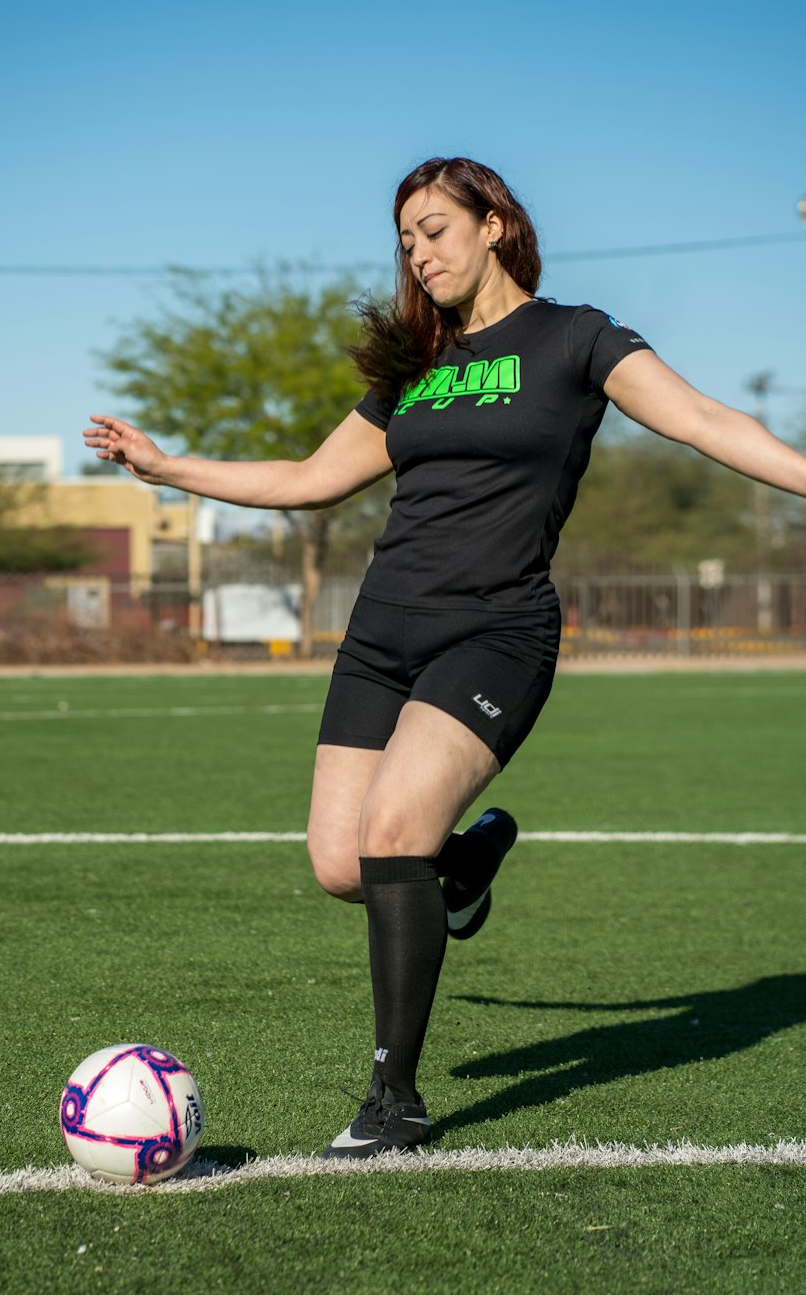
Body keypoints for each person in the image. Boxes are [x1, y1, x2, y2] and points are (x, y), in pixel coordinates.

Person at [83, 156, 806, 1159]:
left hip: (496, 629)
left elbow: (705, 422)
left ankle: (395, 1098)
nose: (418, 254)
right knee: (343, 864)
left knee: (391, 834)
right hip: (381, 635)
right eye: (406, 240)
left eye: (434, 229)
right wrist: (168, 466)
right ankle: (458, 868)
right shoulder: (412, 368)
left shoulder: (575, 338)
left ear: (495, 223)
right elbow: (306, 480)